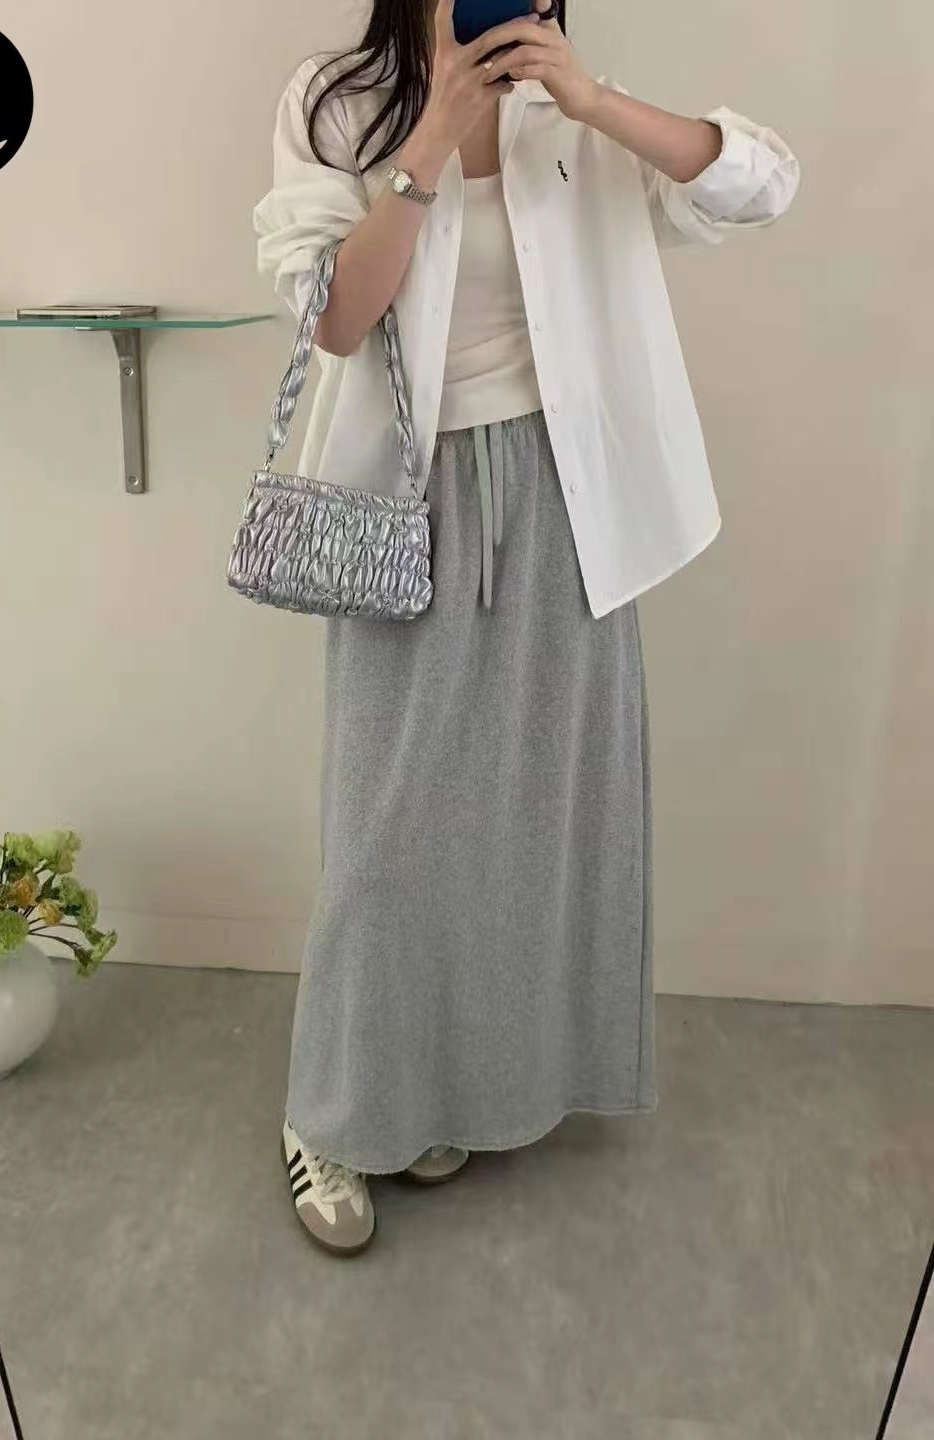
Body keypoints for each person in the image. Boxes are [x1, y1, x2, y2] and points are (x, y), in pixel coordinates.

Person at [253, 0, 799, 1257]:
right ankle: (327, 1116)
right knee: (388, 826)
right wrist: (430, 139)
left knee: (535, 816)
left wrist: (594, 101)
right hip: (406, 504)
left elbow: (764, 184)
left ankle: (439, 1094)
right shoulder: (336, 100)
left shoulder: (579, 110)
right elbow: (333, 317)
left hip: (573, 501)